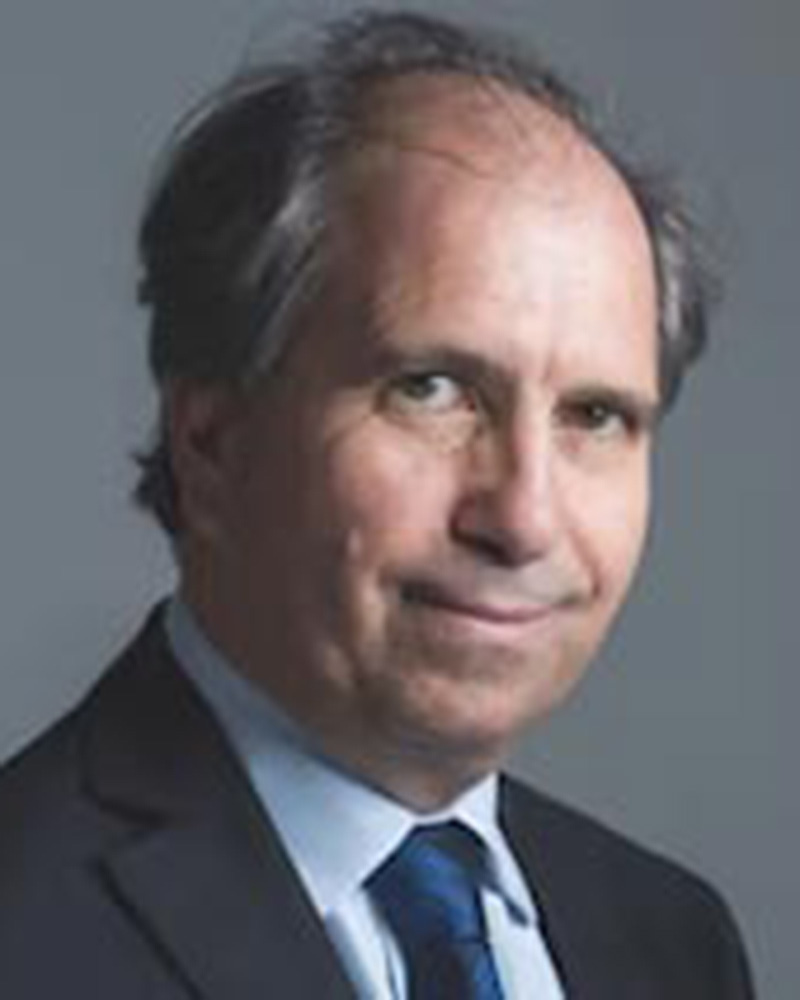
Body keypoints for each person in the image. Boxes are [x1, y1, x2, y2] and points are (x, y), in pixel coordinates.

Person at [0, 9, 755, 998]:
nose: (524, 518)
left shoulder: (673, 944)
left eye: (595, 415)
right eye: (431, 390)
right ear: (212, 442)